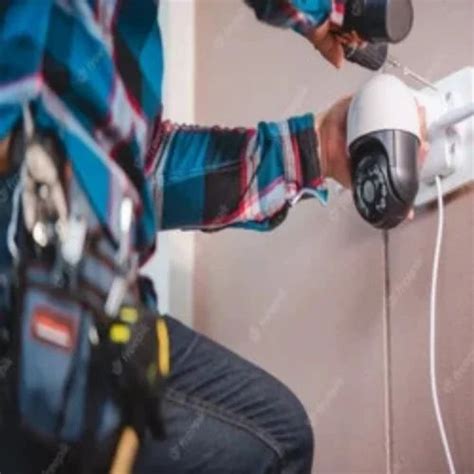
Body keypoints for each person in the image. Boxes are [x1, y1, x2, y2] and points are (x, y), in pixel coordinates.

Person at [0, 1, 412, 473]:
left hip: (92, 307)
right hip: (24, 269)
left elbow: (142, 174)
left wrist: (314, 149)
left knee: (272, 440)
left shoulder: (126, 39)